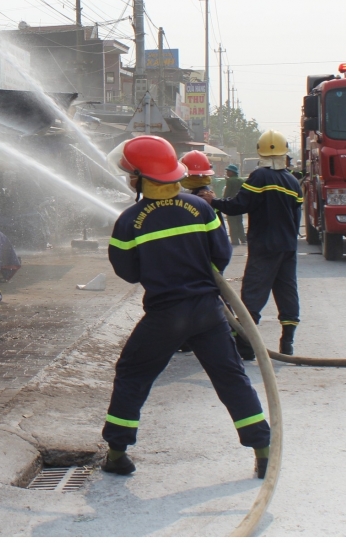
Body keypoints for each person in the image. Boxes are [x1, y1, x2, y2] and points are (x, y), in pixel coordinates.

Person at [101, 135, 271, 479]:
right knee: (231, 378)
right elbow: (220, 256)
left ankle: (117, 454)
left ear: (141, 178)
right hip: (208, 312)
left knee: (133, 374)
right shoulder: (202, 208)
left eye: (130, 174)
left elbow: (128, 272)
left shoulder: (130, 220)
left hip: (164, 315)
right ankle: (263, 450)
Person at [201, 131, 303, 358]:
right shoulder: (292, 181)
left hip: (265, 246)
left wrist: (212, 201)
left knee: (253, 293)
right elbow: (296, 218)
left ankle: (246, 347)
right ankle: (287, 342)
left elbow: (239, 205)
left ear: (260, 151)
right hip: (287, 247)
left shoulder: (259, 177)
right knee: (287, 292)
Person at [223, 164, 246, 246]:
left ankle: (235, 240)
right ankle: (243, 239)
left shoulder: (230, 181)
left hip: (231, 204)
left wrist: (223, 201)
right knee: (239, 222)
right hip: (239, 204)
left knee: (232, 223)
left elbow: (227, 194)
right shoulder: (241, 180)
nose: (227, 172)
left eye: (228, 171)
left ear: (232, 172)